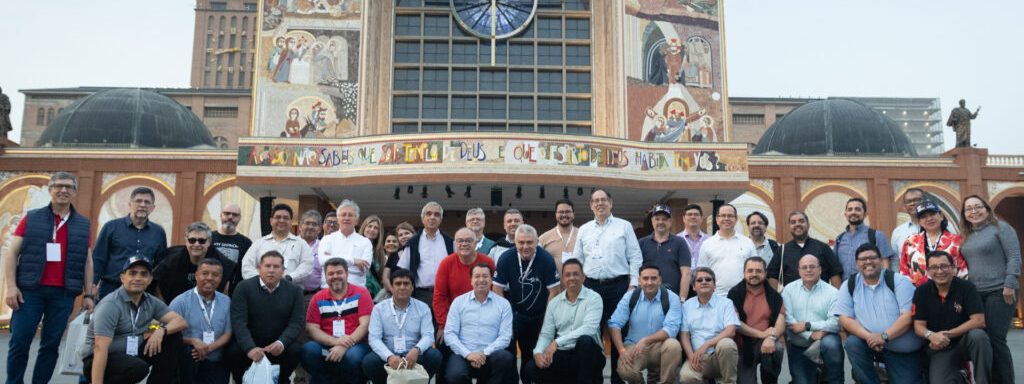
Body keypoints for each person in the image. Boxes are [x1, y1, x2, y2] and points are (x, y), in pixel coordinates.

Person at [4, 172, 95, 384]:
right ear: (50, 189)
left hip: (63, 294)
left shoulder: (83, 224)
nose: (63, 190)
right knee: (20, 341)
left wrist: (89, 294)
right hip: (29, 291)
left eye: (69, 187)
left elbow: (87, 261)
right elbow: (11, 253)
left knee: (51, 344)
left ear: (74, 192)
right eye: (59, 186)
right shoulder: (32, 217)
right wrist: (10, 287)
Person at [567, 189, 642, 384]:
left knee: (619, 333)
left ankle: (618, 379)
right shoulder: (584, 229)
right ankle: (594, 379)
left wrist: (633, 286)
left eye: (603, 200)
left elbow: (635, 257)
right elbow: (577, 260)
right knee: (592, 335)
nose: (600, 204)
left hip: (618, 286)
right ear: (591, 205)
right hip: (591, 287)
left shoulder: (624, 226)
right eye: (596, 201)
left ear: (611, 202)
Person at [82, 257, 187, 384]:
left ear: (149, 279)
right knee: (138, 368)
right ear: (122, 277)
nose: (138, 278)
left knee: (173, 337)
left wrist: (160, 331)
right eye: (132, 273)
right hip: (98, 359)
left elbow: (180, 321)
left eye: (143, 274)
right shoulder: (111, 304)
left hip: (132, 355)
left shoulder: (150, 301)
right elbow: (100, 347)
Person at [834, 243, 923, 384]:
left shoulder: (899, 282)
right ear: (857, 264)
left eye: (872, 257)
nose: (868, 262)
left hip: (900, 349)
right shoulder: (849, 284)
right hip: (870, 344)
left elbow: (908, 317)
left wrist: (884, 336)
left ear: (881, 261)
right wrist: (870, 337)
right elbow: (845, 318)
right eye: (863, 259)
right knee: (853, 344)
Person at [960, 194, 1020, 384]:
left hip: (1000, 290)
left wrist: (1010, 283)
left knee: (996, 338)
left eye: (978, 206)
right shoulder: (967, 235)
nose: (974, 211)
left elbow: (1014, 256)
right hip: (977, 294)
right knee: (983, 340)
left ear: (986, 208)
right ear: (964, 214)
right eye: (969, 208)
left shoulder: (1000, 228)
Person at [912, 250, 991, 384]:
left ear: (953, 268)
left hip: (965, 342)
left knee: (979, 336)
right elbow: (918, 326)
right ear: (928, 271)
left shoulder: (967, 287)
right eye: (934, 267)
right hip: (940, 347)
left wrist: (948, 334)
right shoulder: (922, 291)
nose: (940, 271)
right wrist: (931, 335)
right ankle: (962, 378)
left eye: (944, 266)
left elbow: (979, 321)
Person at [227, 251, 305, 384]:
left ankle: (281, 380)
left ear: (283, 270)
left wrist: (281, 343)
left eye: (276, 267)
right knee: (233, 350)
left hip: (278, 345)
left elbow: (296, 322)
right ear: (259, 268)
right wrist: (250, 347)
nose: (271, 270)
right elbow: (238, 321)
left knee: (295, 350)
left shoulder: (295, 291)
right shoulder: (243, 288)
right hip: (251, 344)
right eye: (267, 266)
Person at [521, 259, 605, 384]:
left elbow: (589, 328)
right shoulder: (554, 303)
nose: (572, 278)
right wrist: (538, 352)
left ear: (583, 277)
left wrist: (557, 342)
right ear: (562, 279)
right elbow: (546, 334)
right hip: (564, 353)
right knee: (530, 369)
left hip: (589, 355)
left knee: (585, 341)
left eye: (576, 274)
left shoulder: (594, 298)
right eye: (568, 274)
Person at [492, 224, 560, 378]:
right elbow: (497, 289)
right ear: (515, 242)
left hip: (539, 314)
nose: (525, 246)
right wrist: (506, 317)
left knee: (531, 355)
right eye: (521, 242)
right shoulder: (506, 258)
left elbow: (554, 292)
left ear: (536, 242)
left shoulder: (546, 259)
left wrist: (547, 321)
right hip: (514, 313)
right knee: (506, 352)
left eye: (529, 242)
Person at [361, 269, 443, 384]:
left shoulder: (423, 308)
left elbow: (428, 335)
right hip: (389, 354)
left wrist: (416, 350)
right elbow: (374, 338)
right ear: (392, 287)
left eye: (406, 283)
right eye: (398, 284)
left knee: (434, 356)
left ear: (412, 287)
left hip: (414, 355)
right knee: (369, 361)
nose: (402, 287)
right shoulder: (379, 309)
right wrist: (389, 356)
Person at [300, 258, 374, 384]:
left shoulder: (361, 293)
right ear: (325, 276)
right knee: (308, 350)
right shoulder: (317, 298)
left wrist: (343, 345)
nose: (335, 276)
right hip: (328, 344)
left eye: (339, 272)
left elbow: (365, 325)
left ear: (347, 274)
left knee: (353, 356)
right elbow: (312, 329)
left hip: (357, 344)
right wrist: (336, 342)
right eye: (331, 274)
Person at [608, 264, 683, 384]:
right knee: (625, 370)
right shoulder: (630, 297)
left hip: (661, 347)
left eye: (653, 278)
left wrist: (646, 340)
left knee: (673, 346)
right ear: (639, 280)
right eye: (645, 278)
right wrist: (622, 350)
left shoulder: (671, 298)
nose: (649, 282)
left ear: (660, 280)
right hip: (634, 346)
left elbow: (671, 328)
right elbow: (614, 324)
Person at [443, 263, 516, 384]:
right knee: (455, 375)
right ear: (471, 280)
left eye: (485, 276)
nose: (481, 280)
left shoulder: (503, 304)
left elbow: (505, 337)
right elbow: (450, 334)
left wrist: (483, 354)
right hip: (463, 354)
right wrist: (468, 354)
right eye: (477, 276)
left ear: (491, 279)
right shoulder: (458, 302)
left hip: (490, 354)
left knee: (505, 358)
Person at [94, 186, 168, 299]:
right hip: (111, 288)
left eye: (147, 202)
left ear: (152, 207)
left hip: (144, 291)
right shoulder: (111, 227)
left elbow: (160, 265)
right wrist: (92, 287)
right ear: (130, 204)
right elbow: (99, 258)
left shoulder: (158, 232)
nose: (142, 205)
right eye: (138, 201)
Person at [168, 258, 233, 384]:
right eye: (205, 273)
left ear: (221, 278)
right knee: (188, 353)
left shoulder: (227, 301)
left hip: (216, 358)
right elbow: (168, 334)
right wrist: (192, 341)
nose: (209, 278)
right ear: (196, 275)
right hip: (190, 360)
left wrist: (208, 348)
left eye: (215, 275)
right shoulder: (180, 302)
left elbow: (228, 333)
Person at [781, 255, 843, 384]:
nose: (808, 270)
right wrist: (810, 334)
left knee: (831, 344)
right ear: (799, 271)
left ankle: (832, 379)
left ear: (820, 269)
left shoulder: (832, 292)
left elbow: (835, 323)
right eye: (804, 267)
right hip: (799, 343)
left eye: (812, 267)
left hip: (824, 339)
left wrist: (808, 325)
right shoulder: (788, 290)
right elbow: (788, 319)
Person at [432, 228, 496, 343]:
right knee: (441, 346)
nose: (464, 244)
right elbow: (440, 296)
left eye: (468, 240)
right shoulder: (446, 263)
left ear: (476, 243)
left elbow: (494, 294)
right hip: (454, 320)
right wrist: (444, 325)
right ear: (455, 244)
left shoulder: (487, 262)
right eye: (460, 241)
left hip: (483, 319)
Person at [728, 257, 785, 384]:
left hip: (765, 344)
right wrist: (763, 334)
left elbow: (780, 322)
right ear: (744, 273)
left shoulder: (774, 296)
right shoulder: (734, 294)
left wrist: (771, 338)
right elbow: (736, 324)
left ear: (765, 273)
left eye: (759, 271)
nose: (754, 274)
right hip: (743, 346)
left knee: (778, 348)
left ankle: (770, 381)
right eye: (750, 271)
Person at [679, 267, 740, 384]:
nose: (704, 282)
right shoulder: (687, 305)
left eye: (708, 279)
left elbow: (731, 331)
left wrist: (706, 345)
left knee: (727, 344)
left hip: (720, 356)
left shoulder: (726, 303)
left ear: (714, 285)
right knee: (687, 377)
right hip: (698, 358)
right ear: (693, 286)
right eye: (699, 280)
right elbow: (684, 335)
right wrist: (691, 356)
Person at [152, 222, 236, 303]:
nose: (196, 244)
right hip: (177, 308)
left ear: (209, 242)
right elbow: (156, 284)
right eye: (192, 240)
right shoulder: (171, 260)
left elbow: (226, 290)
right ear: (186, 241)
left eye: (201, 241)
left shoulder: (223, 263)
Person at [240, 204, 315, 287]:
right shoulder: (259, 243)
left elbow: (307, 265)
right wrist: (262, 280)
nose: (281, 220)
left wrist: (288, 278)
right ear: (271, 221)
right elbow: (246, 266)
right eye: (278, 217)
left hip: (291, 291)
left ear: (291, 222)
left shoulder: (301, 244)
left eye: (286, 218)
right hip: (261, 291)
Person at [397, 202, 454, 308]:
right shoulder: (413, 242)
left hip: (445, 295)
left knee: (442, 324)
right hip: (420, 296)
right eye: (429, 214)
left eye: (436, 214)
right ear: (422, 218)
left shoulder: (450, 242)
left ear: (440, 219)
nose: (432, 217)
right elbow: (403, 270)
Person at [767, 211, 842, 290]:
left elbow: (835, 273)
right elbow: (773, 275)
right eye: (793, 222)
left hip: (821, 299)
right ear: (789, 226)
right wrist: (774, 299)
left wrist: (836, 298)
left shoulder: (823, 247)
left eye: (801, 221)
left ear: (808, 225)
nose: (797, 224)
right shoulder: (782, 250)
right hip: (791, 299)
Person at [899, 200, 966, 286]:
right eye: (924, 217)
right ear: (919, 221)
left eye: (932, 214)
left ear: (941, 216)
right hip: (920, 293)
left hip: (951, 290)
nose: (929, 219)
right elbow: (904, 271)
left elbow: (963, 270)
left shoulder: (956, 240)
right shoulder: (910, 242)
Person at [699, 204, 756, 297]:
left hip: (744, 295)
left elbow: (755, 269)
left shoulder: (748, 243)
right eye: (723, 215)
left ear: (736, 219)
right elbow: (702, 272)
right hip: (715, 296)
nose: (726, 218)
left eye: (730, 216)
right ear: (717, 219)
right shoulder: (707, 244)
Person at [834, 197, 895, 278]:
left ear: (865, 214)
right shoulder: (839, 239)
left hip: (870, 287)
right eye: (850, 209)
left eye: (857, 209)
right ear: (845, 214)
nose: (853, 212)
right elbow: (835, 268)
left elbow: (885, 263)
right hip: (846, 288)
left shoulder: (876, 235)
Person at [318, 200, 374, 289]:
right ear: (338, 219)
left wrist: (333, 259)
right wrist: (353, 261)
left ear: (357, 220)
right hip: (329, 290)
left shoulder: (365, 242)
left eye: (350, 215)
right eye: (343, 215)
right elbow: (323, 261)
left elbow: (364, 268)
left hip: (356, 292)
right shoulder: (327, 239)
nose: (347, 218)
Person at [639, 204, 691, 297]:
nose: (660, 222)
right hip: (647, 297)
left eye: (664, 219)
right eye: (657, 219)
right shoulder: (642, 243)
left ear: (670, 222)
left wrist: (682, 299)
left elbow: (686, 273)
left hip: (673, 297)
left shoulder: (680, 242)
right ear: (652, 221)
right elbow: (636, 271)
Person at [210, 203, 251, 274]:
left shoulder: (246, 243)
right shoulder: (208, 238)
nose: (230, 217)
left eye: (235, 215)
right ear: (221, 215)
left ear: (239, 218)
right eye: (227, 213)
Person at [890, 188, 925, 270]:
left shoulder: (943, 225)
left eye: (917, 200)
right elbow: (895, 262)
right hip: (908, 281)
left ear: (925, 201)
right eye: (909, 201)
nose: (913, 203)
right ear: (905, 206)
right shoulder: (898, 232)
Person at [538, 199, 578, 269]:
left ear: (573, 214)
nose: (564, 215)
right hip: (553, 280)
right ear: (556, 214)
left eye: (568, 212)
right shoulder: (543, 238)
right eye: (561, 212)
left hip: (579, 279)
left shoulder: (583, 235)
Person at [676, 204, 709, 278]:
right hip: (682, 282)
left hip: (703, 282)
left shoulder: (709, 240)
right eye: (689, 214)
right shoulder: (676, 240)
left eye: (696, 214)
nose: (693, 217)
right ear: (683, 218)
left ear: (701, 218)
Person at [359, 215, 386, 297]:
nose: (372, 229)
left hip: (375, 294)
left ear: (379, 232)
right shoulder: (354, 245)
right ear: (364, 227)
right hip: (358, 290)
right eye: (369, 226)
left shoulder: (380, 253)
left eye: (376, 228)